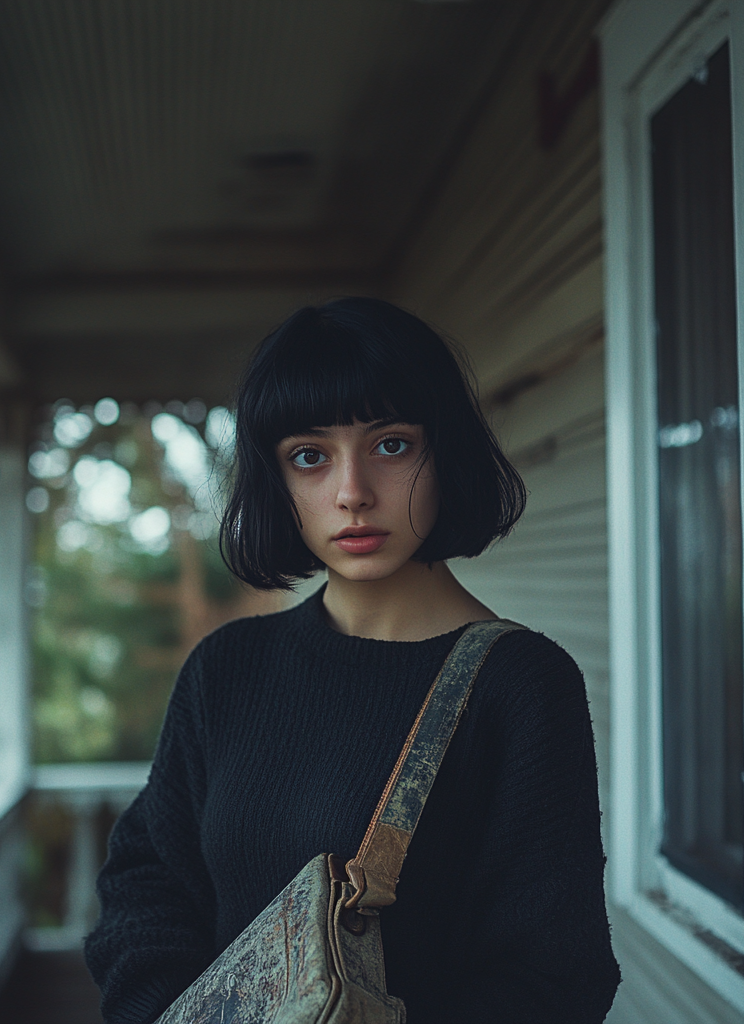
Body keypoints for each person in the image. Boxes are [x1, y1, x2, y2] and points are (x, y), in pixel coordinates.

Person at [84, 297, 621, 1023]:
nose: (353, 493)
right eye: (310, 456)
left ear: (445, 451)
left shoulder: (519, 687)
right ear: (280, 483)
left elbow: (552, 981)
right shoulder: (228, 668)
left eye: (391, 444)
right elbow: (147, 885)